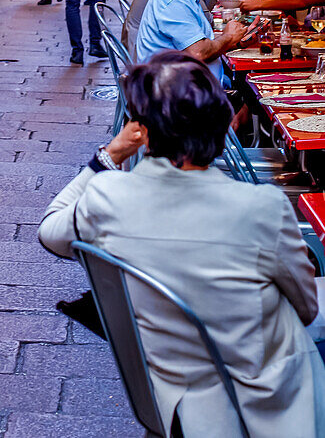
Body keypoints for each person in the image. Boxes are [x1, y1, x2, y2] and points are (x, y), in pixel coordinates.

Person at [38, 53, 325, 438]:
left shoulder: (107, 197)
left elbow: (49, 230)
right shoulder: (263, 208)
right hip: (270, 407)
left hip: (173, 404)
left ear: (142, 129)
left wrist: (110, 155)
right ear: (220, 126)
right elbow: (306, 309)